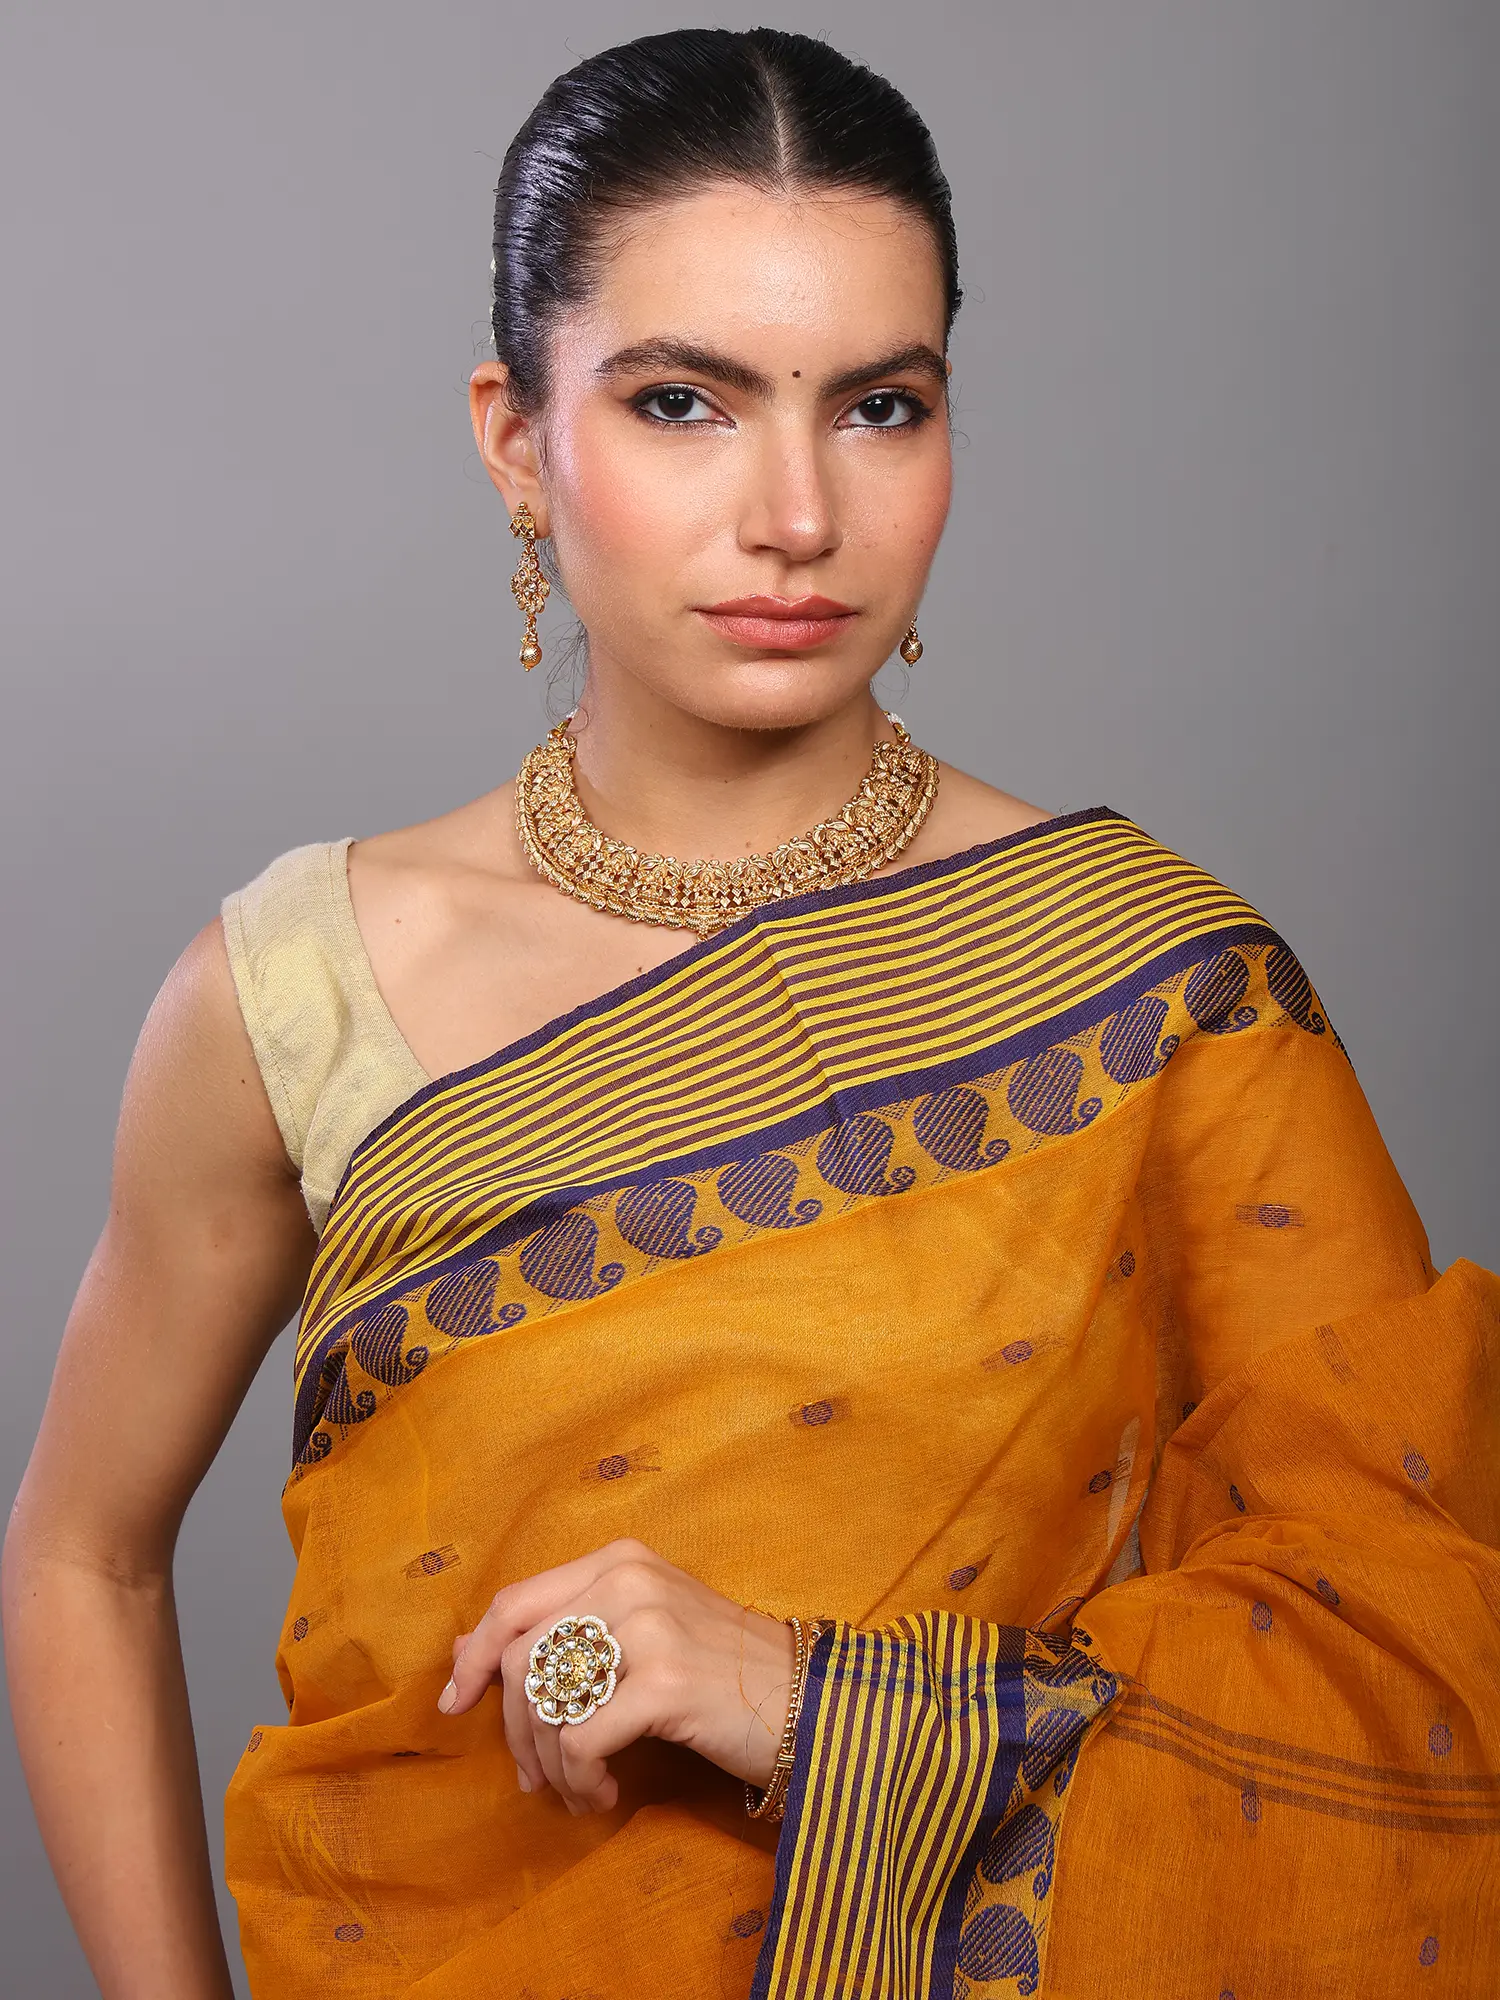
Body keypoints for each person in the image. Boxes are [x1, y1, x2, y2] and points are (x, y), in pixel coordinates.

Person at [5, 25, 1497, 2000]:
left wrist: (812, 1701)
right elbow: (82, 1556)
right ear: (517, 439)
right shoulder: (298, 991)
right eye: (682, 402)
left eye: (879, 406)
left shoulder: (1158, 987)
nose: (798, 512)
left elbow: (1419, 1673)